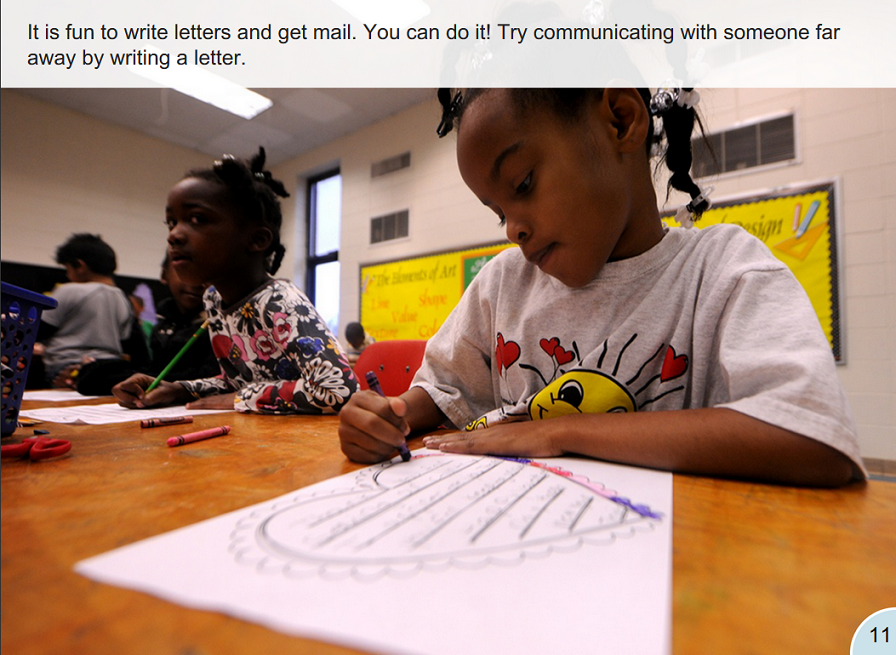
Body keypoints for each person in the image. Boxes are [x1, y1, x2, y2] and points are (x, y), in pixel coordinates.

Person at [338, 88, 864, 487]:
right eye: (499, 211)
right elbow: (443, 392)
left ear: (620, 120)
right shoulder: (502, 284)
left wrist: (559, 432)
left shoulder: (724, 271)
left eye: (523, 185)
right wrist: (389, 417)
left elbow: (813, 434)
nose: (512, 228)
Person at [113, 148, 359, 414]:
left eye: (197, 219)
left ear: (257, 239)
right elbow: (237, 383)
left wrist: (242, 398)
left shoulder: (280, 301)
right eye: (171, 222)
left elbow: (338, 390)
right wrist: (181, 388)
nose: (174, 235)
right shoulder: (214, 300)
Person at [35, 233, 138, 387]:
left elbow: (40, 330)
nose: (67, 274)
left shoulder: (70, 290)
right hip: (108, 370)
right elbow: (125, 340)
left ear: (80, 266)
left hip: (66, 369)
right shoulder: (123, 299)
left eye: (67, 268)